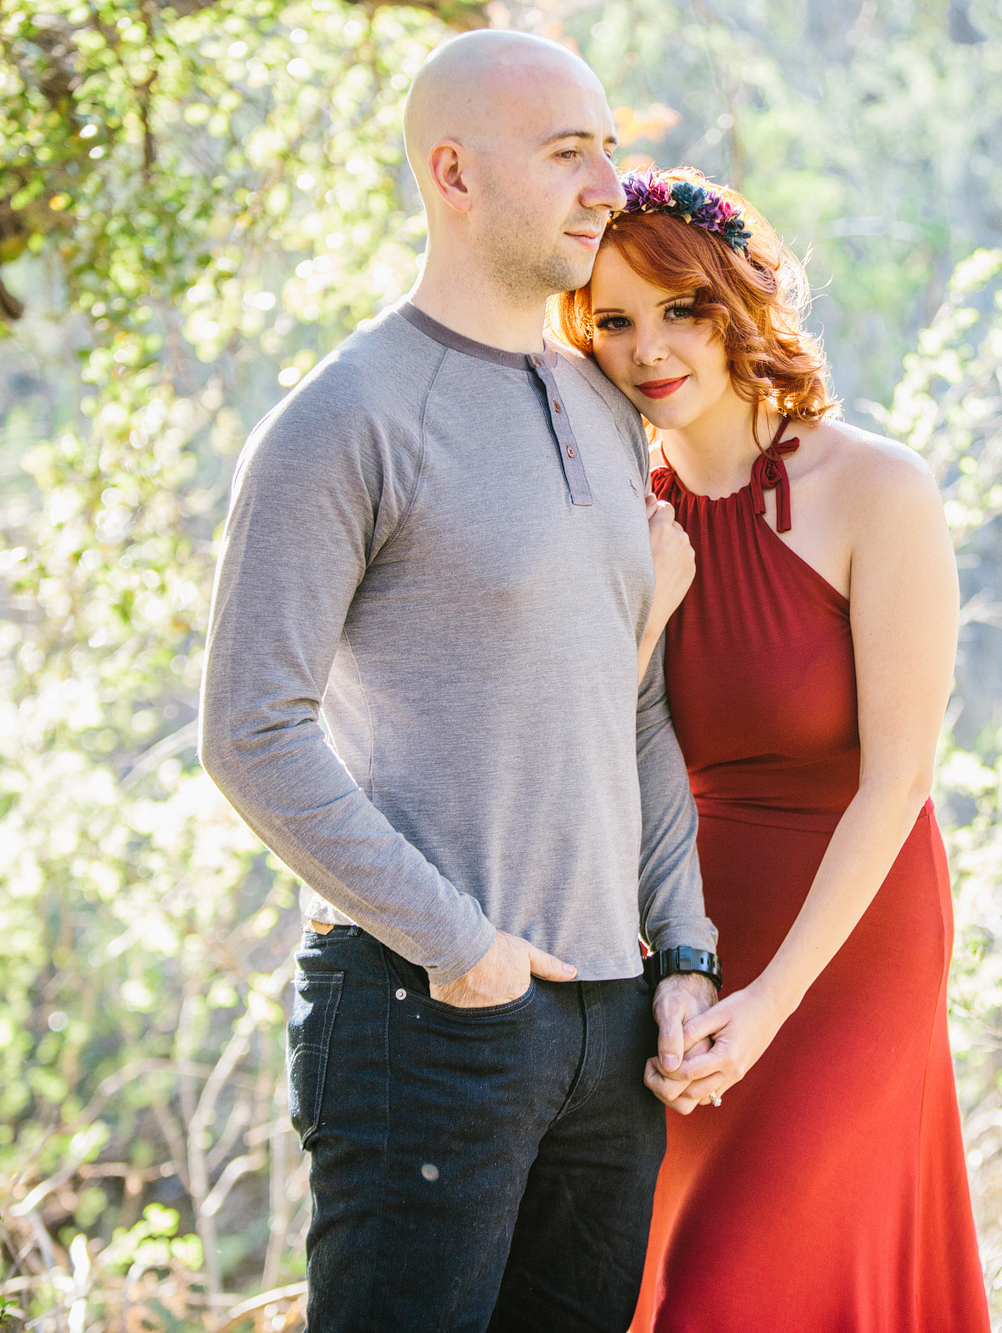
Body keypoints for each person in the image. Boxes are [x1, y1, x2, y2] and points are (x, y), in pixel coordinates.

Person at [198, 34, 722, 1333]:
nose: (612, 183)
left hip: (613, 1034)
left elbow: (634, 704)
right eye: (568, 154)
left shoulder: (607, 410)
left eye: (607, 144)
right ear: (454, 173)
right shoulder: (346, 417)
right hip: (427, 1016)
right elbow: (249, 729)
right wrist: (463, 948)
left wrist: (684, 950)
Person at [551, 166, 992, 1331]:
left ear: (741, 297)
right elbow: (591, 760)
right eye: (614, 320)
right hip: (684, 942)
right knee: (646, 1285)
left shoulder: (875, 490)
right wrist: (652, 607)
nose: (650, 348)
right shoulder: (612, 512)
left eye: (679, 309)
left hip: (847, 944)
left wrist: (770, 1002)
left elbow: (897, 781)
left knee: (732, 1291)